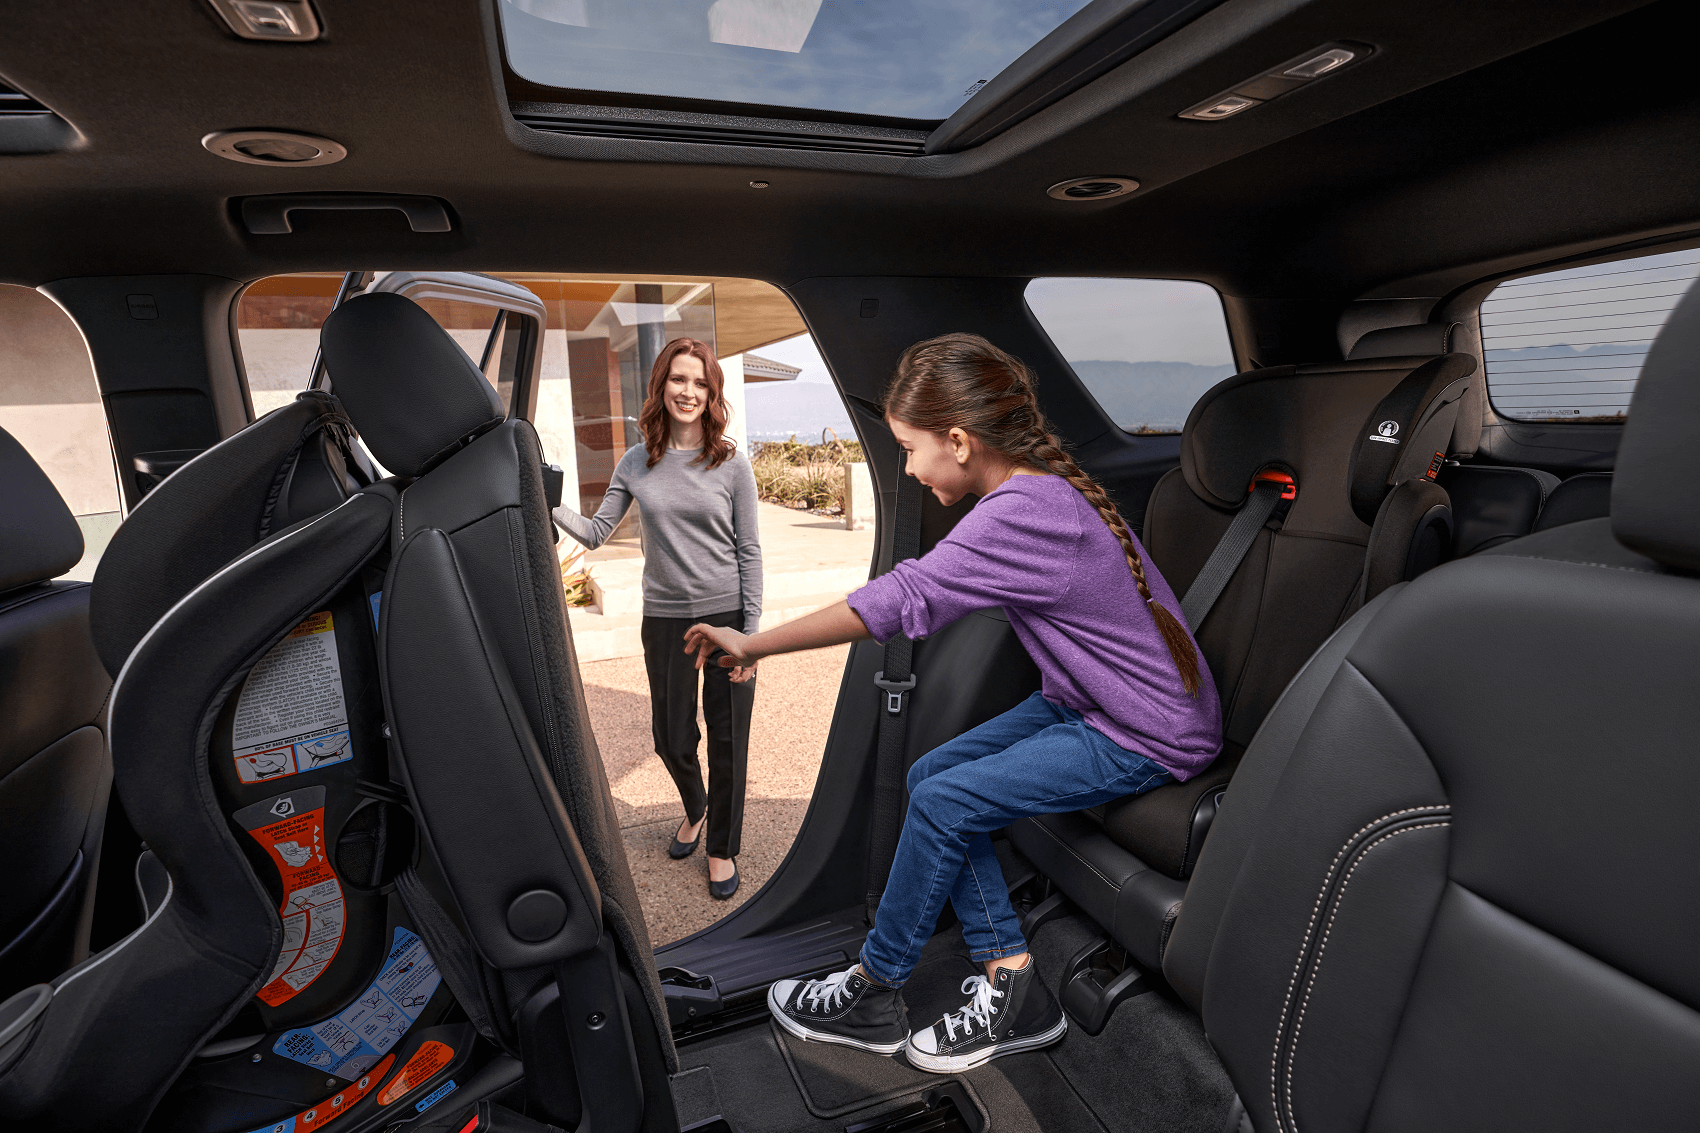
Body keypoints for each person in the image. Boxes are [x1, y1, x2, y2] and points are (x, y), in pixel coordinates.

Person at [684, 333, 1221, 1071]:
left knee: (944, 799)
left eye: (908, 447)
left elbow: (902, 598)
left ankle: (875, 994)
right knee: (932, 775)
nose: (904, 464)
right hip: (1088, 702)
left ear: (961, 442)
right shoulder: (1034, 495)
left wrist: (755, 643)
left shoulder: (1025, 512)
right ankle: (1014, 983)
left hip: (1145, 730)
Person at [554, 338, 761, 900]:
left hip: (726, 615)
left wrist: (751, 636)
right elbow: (597, 532)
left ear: (711, 392)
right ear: (660, 387)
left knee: (728, 738)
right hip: (666, 618)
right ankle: (695, 807)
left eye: (699, 382)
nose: (688, 391)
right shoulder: (636, 460)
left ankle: (720, 846)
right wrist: (541, 498)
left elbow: (750, 553)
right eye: (678, 380)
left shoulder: (731, 463)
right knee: (671, 735)